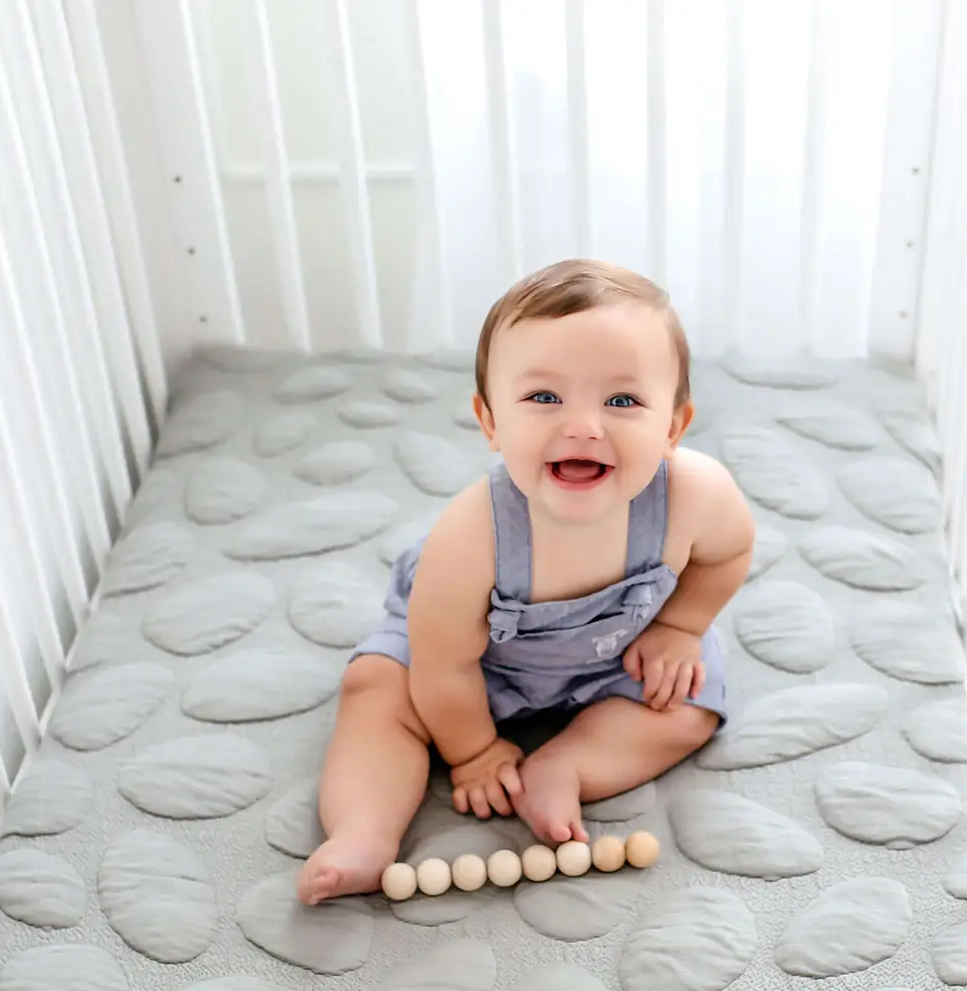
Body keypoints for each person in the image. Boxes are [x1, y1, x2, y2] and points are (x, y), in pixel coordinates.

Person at [296, 259, 755, 905]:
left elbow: (727, 553)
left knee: (688, 704)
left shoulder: (694, 495)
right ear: (490, 421)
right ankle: (363, 832)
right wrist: (475, 750)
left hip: (622, 647)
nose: (583, 425)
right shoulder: (472, 534)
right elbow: (442, 665)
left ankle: (564, 763)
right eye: (544, 397)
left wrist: (682, 625)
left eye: (621, 400)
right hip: (468, 661)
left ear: (674, 426)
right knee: (375, 689)